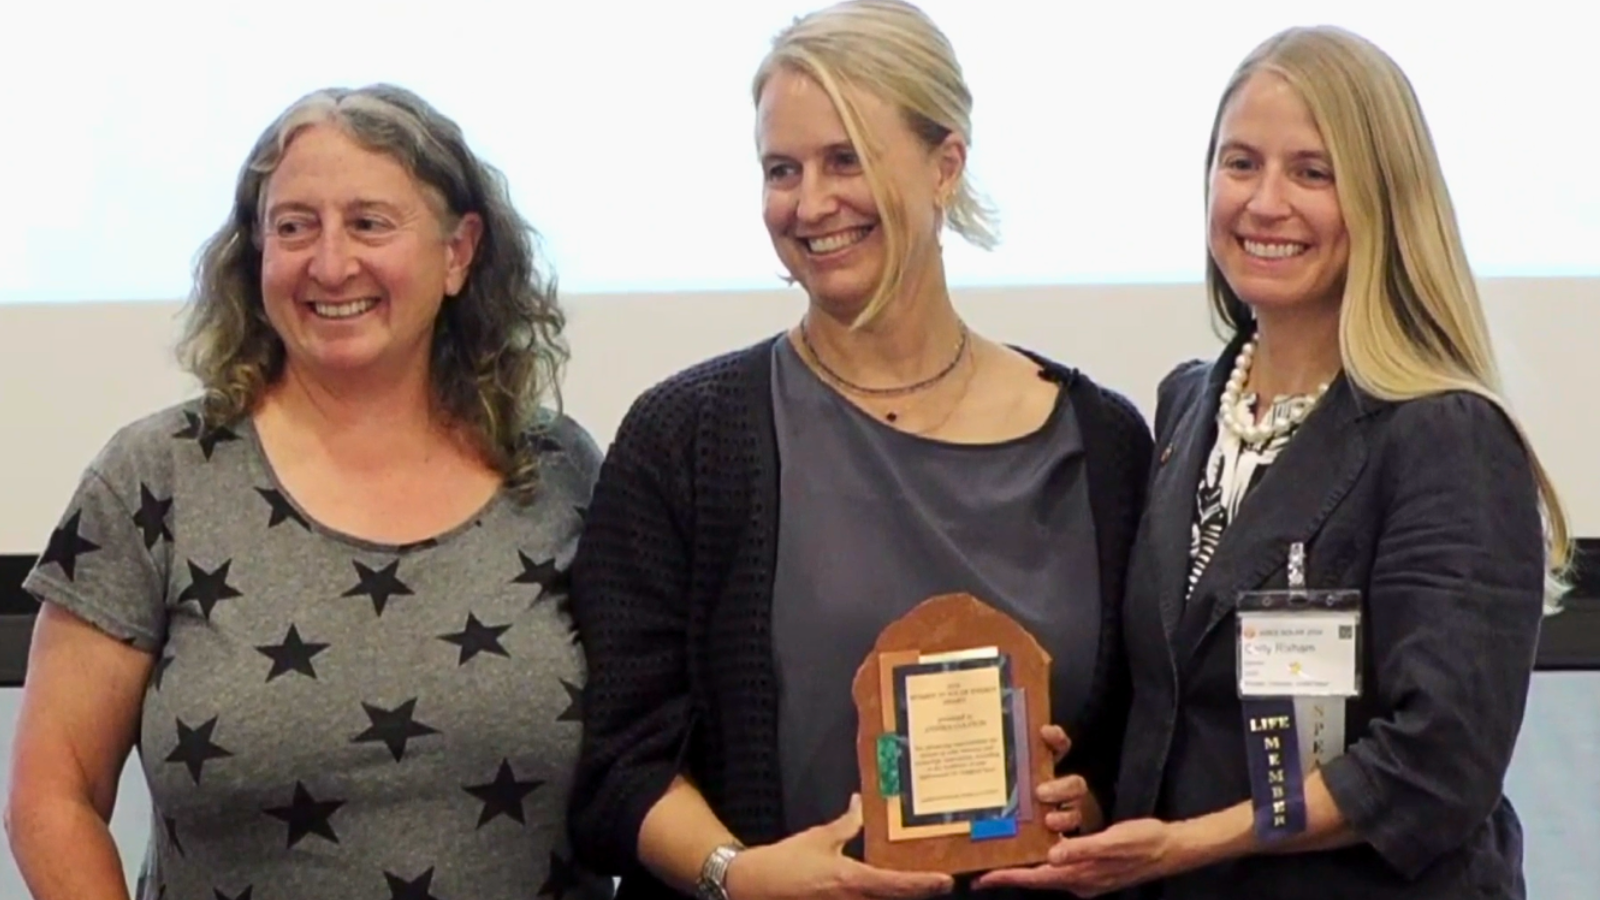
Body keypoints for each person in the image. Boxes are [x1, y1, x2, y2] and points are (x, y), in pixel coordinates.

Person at [566, 3, 1152, 900]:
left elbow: (1138, 748)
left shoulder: (1102, 444)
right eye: (781, 169)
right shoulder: (687, 437)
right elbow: (621, 763)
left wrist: (1089, 809)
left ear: (944, 165)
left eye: (847, 160)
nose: (809, 204)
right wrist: (741, 875)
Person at [974, 25, 1573, 900]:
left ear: (1384, 199)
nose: (1264, 202)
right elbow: (1179, 705)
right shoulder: (1186, 407)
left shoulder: (1446, 436)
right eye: (1240, 163)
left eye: (1312, 172)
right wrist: (1097, 804)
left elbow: (1435, 766)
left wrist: (1184, 845)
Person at [5, 84, 611, 900]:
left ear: (460, 251)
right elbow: (53, 794)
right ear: (255, 253)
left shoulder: (559, 469)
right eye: (293, 227)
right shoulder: (156, 476)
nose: (330, 264)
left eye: (369, 223)